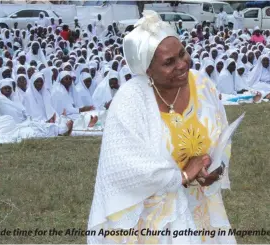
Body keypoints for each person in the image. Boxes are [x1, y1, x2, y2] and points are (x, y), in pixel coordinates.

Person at [87, 10, 235, 244]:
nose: (181, 64)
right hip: (153, 222)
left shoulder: (203, 85)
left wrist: (214, 168)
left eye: (182, 53)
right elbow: (123, 168)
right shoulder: (130, 100)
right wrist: (184, 175)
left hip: (201, 209)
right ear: (148, 70)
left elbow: (223, 133)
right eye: (169, 62)